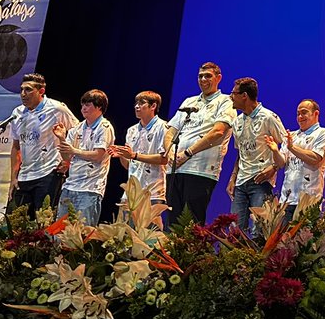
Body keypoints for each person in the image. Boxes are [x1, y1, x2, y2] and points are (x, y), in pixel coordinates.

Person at [165, 62, 235, 225]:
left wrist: (187, 153)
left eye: (208, 76)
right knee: (173, 223)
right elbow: (170, 130)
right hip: (175, 168)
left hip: (200, 170)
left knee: (192, 224)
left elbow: (218, 132)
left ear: (219, 78)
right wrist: (170, 153)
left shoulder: (225, 101)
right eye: (200, 76)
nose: (203, 79)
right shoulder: (189, 101)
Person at [8, 73, 78, 217]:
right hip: (24, 176)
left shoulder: (57, 109)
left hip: (48, 173)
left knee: (43, 222)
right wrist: (13, 177)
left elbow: (78, 133)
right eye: (21, 89)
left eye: (28, 90)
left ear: (41, 91)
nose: (23, 94)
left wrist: (68, 161)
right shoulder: (17, 113)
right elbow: (16, 146)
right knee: (15, 223)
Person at [225, 78, 288, 236]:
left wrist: (273, 168)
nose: (230, 97)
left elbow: (287, 145)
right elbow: (240, 153)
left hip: (261, 182)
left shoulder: (268, 117)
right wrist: (233, 178)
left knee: (259, 230)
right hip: (240, 183)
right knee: (235, 231)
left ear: (244, 95)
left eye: (233, 93)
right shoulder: (237, 122)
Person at [109, 91, 169, 226]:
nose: (137, 106)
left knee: (147, 238)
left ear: (153, 106)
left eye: (141, 103)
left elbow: (163, 159)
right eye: (136, 103)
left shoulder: (163, 127)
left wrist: (134, 155)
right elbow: (128, 166)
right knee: (123, 238)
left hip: (152, 191)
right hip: (131, 192)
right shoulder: (132, 130)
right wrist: (122, 156)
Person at [56, 89, 115, 224]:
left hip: (90, 188)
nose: (83, 108)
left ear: (99, 107)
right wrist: (61, 138)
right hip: (70, 186)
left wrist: (74, 151)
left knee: (83, 232)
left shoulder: (105, 127)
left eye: (88, 105)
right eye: (82, 104)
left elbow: (98, 155)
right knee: (60, 232)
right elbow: (66, 157)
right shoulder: (76, 128)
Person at [280, 99, 325, 221]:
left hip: (308, 199)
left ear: (316, 114)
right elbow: (281, 163)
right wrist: (274, 150)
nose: (300, 117)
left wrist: (291, 147)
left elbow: (315, 158)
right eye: (298, 114)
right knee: (282, 239)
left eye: (304, 113)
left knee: (305, 239)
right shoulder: (291, 136)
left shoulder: (323, 134)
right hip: (287, 199)